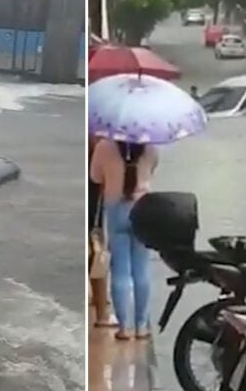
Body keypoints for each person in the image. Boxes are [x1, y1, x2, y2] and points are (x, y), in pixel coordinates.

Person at [90, 138, 159, 340]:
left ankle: (124, 328)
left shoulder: (104, 147)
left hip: (116, 209)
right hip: (143, 210)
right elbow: (152, 170)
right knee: (142, 269)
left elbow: (95, 177)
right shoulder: (150, 147)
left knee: (120, 270)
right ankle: (141, 326)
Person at [88, 135, 114, 329]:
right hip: (93, 196)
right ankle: (102, 314)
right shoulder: (98, 143)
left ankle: (98, 300)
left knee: (94, 247)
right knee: (97, 250)